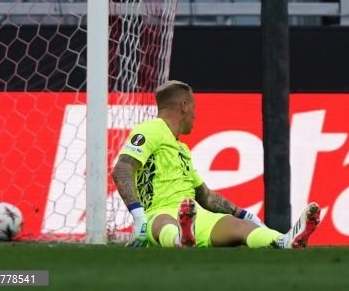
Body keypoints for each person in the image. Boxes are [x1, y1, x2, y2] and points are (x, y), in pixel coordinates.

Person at [111, 80, 321, 249]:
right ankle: (180, 239)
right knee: (164, 223)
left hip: (193, 215)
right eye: (193, 107)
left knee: (239, 227)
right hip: (158, 212)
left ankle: (283, 241)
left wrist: (244, 215)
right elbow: (122, 168)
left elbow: (205, 195)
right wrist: (139, 218)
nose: (195, 114)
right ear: (184, 106)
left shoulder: (181, 149)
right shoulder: (151, 129)